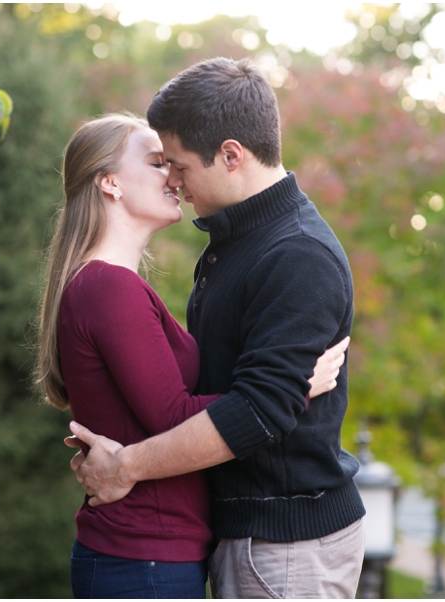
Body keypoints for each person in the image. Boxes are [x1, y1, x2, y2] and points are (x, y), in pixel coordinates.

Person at [67, 58, 366, 599]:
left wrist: (126, 465)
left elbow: (260, 408)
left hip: (285, 542)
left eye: (178, 165)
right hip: (238, 537)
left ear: (231, 155)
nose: (174, 182)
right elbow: (225, 392)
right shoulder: (234, 244)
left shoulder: (296, 254)